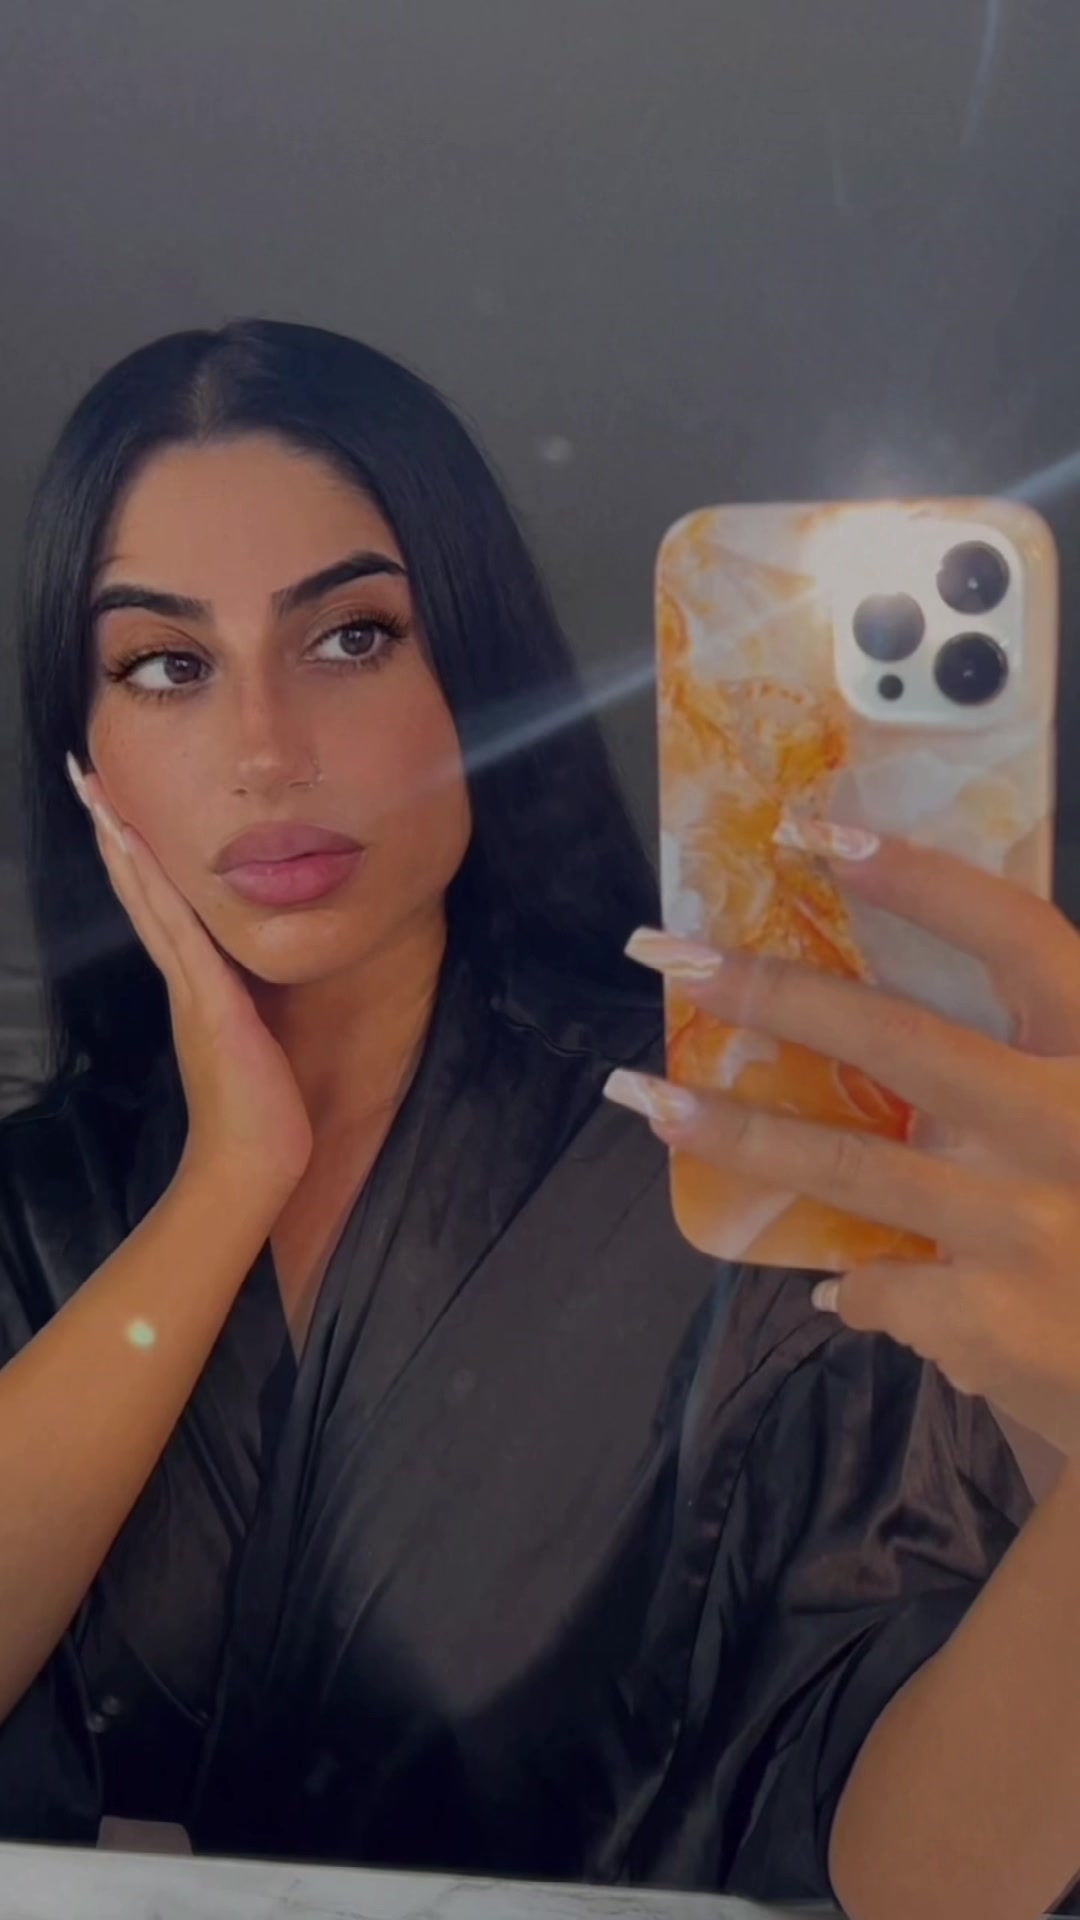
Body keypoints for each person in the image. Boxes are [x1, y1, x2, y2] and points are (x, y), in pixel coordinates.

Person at [1, 319, 1079, 1920]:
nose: (265, 749)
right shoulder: (38, 1208)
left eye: (351, 636)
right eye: (166, 664)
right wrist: (233, 1175)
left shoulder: (743, 1156)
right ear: (81, 750)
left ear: (476, 679)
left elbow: (922, 1876)